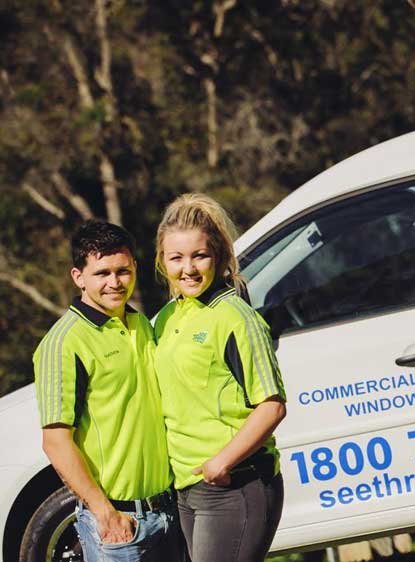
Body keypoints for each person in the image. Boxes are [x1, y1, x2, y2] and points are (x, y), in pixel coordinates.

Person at [32, 221, 178, 561]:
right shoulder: (63, 343)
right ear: (78, 276)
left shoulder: (140, 324)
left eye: (123, 271)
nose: (115, 282)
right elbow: (55, 441)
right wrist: (104, 512)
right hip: (119, 526)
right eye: (102, 273)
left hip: (168, 512)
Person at [153, 193, 287, 562]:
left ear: (219, 257)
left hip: (234, 484)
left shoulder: (235, 318)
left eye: (200, 255)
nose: (188, 268)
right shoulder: (167, 317)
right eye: (176, 257)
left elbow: (272, 406)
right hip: (187, 488)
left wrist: (221, 463)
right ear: (162, 261)